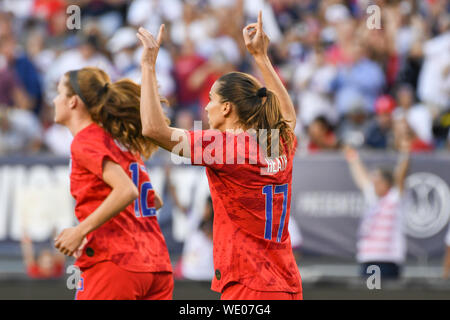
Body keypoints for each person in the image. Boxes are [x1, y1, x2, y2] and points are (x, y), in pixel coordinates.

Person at [136, 11, 302, 300]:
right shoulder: (279, 141)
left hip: (249, 286)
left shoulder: (226, 147)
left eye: (211, 99)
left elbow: (152, 128)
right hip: (286, 283)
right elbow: (287, 116)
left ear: (227, 108)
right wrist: (261, 57)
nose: (206, 107)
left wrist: (149, 66)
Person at [52, 67, 173, 300]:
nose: (55, 100)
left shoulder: (86, 140)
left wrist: (81, 231)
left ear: (73, 102)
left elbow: (127, 190)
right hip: (156, 265)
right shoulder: (119, 139)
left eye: (59, 93)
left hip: (115, 263)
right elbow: (154, 200)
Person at [344, 143, 410, 280]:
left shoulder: (395, 198)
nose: (373, 183)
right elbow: (361, 177)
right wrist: (352, 156)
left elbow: (401, 174)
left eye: (377, 180)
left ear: (387, 183)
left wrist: (405, 153)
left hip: (387, 261)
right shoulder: (372, 199)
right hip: (367, 260)